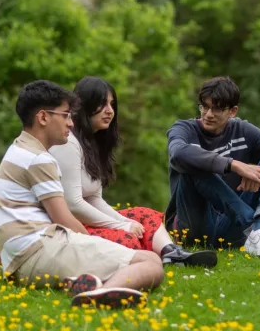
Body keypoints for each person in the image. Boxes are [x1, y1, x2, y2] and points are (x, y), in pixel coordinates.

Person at [0, 80, 164, 308]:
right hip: (41, 252)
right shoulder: (39, 159)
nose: (71, 123)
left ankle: (84, 282)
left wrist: (2, 262)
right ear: (43, 117)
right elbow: (63, 218)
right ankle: (101, 292)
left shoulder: (18, 149)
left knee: (125, 252)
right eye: (65, 115)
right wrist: (93, 244)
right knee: (151, 263)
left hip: (23, 257)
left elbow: (9, 214)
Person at [50, 76, 217, 268]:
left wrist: (123, 220)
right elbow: (73, 204)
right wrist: (121, 225)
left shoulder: (93, 144)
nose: (110, 111)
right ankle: (150, 256)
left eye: (112, 104)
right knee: (127, 237)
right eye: (102, 104)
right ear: (84, 106)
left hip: (87, 220)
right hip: (69, 228)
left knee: (144, 215)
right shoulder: (68, 143)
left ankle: (171, 252)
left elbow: (94, 199)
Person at [165, 76, 260, 259]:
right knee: (194, 166)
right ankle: (256, 228)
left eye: (217, 109)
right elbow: (179, 154)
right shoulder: (184, 129)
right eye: (205, 107)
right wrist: (234, 165)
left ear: (233, 111)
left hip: (230, 225)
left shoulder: (242, 130)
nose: (208, 114)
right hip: (194, 226)